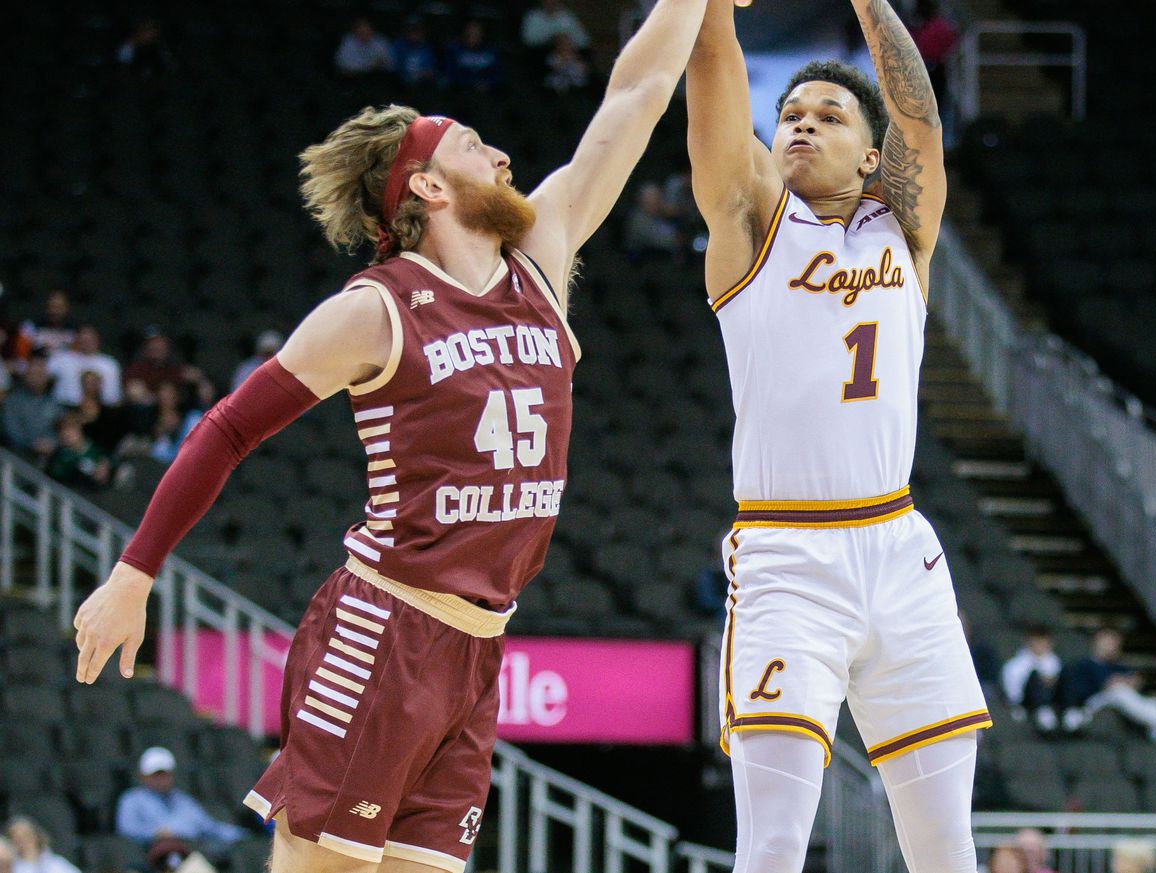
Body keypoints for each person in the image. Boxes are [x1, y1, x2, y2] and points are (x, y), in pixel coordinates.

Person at [72, 2, 712, 871]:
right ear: (427, 185)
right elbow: (224, 431)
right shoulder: (373, 310)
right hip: (384, 626)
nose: (503, 156)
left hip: (479, 647)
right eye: (474, 145)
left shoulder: (540, 261)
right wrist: (132, 573)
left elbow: (635, 95)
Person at [687, 1, 989, 871]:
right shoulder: (752, 225)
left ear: (868, 153)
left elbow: (921, 122)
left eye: (827, 115)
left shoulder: (906, 230)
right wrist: (710, 10)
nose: (801, 125)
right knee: (773, 844)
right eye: (790, 114)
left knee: (943, 844)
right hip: (789, 559)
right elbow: (713, 70)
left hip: (900, 552)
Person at [115, 748, 245, 863]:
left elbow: (209, 826)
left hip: (189, 853)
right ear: (143, 776)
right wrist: (155, 834)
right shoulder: (132, 799)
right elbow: (127, 830)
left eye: (164, 774)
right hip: (149, 858)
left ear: (172, 774)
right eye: (155, 775)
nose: (161, 779)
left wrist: (243, 836)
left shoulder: (184, 800)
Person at [1064, 628, 1156, 742]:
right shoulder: (1084, 666)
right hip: (1090, 705)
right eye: (1108, 642)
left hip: (1120, 700)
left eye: (1115, 643)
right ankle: (1154, 725)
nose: (1112, 646)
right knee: (1119, 692)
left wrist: (1126, 682)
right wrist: (1110, 684)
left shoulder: (1118, 666)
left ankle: (1155, 726)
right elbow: (1081, 691)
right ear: (1098, 642)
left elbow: (1133, 682)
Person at [1001, 626, 1063, 732]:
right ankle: (1043, 711)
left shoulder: (1055, 662)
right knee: (1034, 677)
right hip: (1026, 705)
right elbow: (1013, 695)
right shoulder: (1014, 665)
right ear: (1028, 642)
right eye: (1037, 641)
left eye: (1043, 641)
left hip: (1053, 703)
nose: (1040, 645)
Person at [2, 356, 63, 460]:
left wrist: (53, 444)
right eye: (33, 374)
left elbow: (63, 429)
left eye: (40, 374)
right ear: (26, 376)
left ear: (47, 377)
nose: (36, 378)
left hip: (50, 457)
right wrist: (33, 444)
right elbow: (11, 430)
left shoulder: (55, 403)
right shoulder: (12, 400)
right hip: (19, 457)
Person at [47, 325, 123, 406]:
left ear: (98, 340)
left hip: (101, 410)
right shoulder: (60, 358)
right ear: (76, 339)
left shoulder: (109, 364)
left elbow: (114, 397)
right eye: (83, 339)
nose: (86, 342)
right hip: (63, 408)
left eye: (90, 339)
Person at [47, 413, 112, 488]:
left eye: (71, 429)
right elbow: (57, 477)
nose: (69, 434)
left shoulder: (98, 446)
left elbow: (112, 459)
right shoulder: (62, 458)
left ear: (79, 428)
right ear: (61, 437)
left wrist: (106, 465)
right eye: (64, 433)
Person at [623, 183, 681, 262]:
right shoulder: (639, 221)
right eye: (657, 201)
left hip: (656, 255)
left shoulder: (651, 214)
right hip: (642, 261)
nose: (661, 204)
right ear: (646, 203)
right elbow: (666, 240)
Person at [5, 816, 81, 873]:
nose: (23, 842)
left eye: (26, 835)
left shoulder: (57, 863)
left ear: (36, 837)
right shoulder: (9, 867)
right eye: (17, 839)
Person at [446, 21, 502, 95]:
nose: (473, 33)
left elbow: (498, 71)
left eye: (476, 30)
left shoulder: (491, 50)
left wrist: (486, 82)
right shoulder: (455, 49)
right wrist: (472, 83)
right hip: (462, 86)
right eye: (471, 30)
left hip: (487, 86)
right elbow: (451, 71)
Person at [20, 290, 76, 359]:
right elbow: (21, 353)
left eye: (59, 307)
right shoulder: (31, 326)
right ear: (47, 307)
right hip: (38, 365)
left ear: (67, 308)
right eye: (52, 306)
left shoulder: (75, 329)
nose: (55, 311)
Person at [521, 0, 590, 50]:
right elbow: (528, 39)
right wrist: (552, 38)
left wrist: (566, 40)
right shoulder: (533, 16)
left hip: (568, 54)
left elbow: (583, 41)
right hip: (541, 54)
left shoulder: (567, 16)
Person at [392, 19, 439, 89]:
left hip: (423, 79)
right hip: (403, 79)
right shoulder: (399, 45)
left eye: (417, 32)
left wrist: (427, 73)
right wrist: (408, 76)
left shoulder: (427, 48)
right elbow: (396, 66)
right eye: (412, 32)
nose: (414, 35)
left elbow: (432, 66)